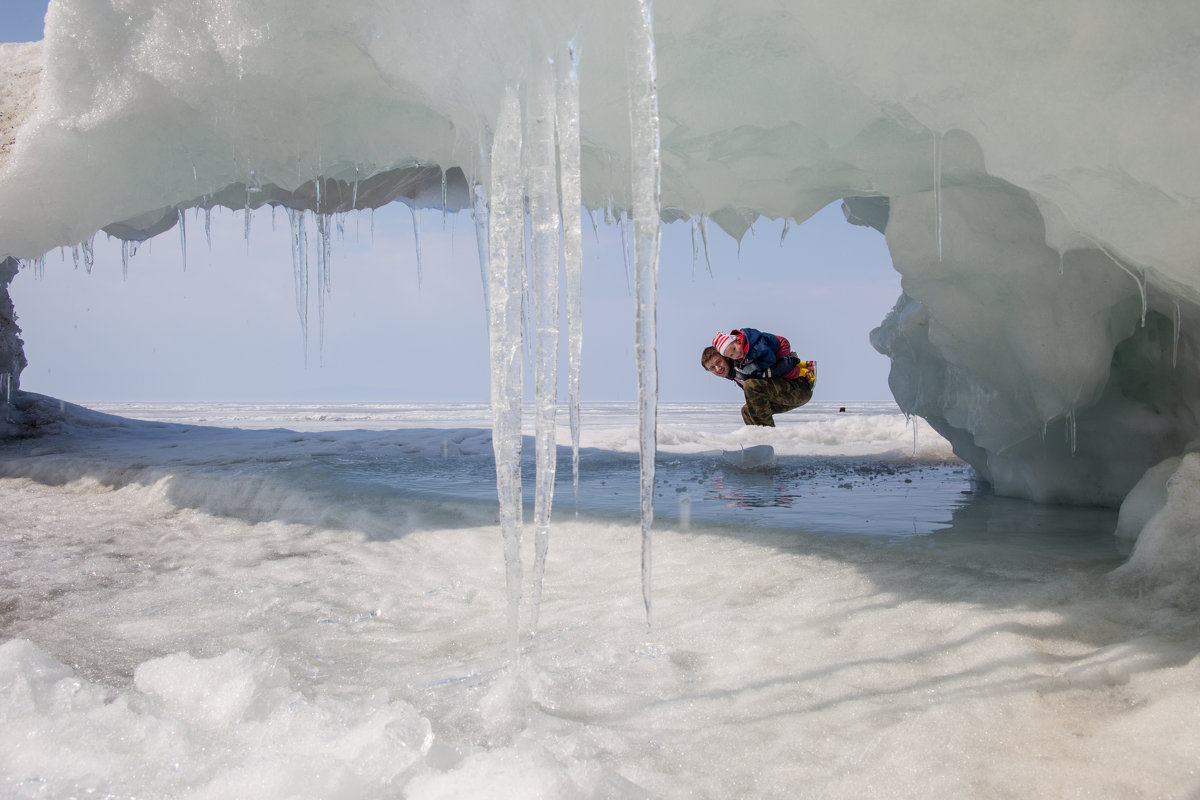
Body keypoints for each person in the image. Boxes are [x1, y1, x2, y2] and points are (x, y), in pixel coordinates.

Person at [702, 328, 815, 426]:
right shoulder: (736, 375)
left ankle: (766, 435)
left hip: (799, 387)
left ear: (726, 358)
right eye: (712, 368)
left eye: (718, 362)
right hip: (786, 394)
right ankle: (757, 443)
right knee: (747, 410)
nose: (718, 368)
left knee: (751, 385)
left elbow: (777, 363)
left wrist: (792, 360)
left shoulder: (745, 361)